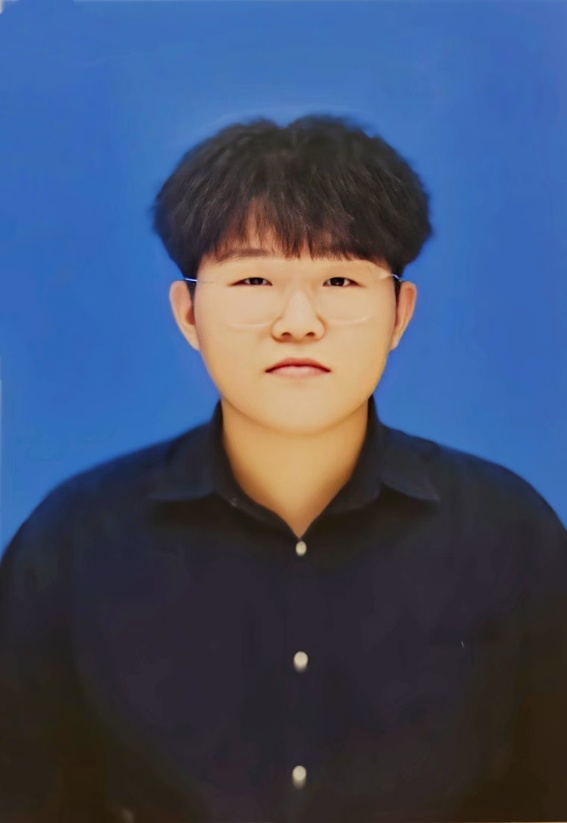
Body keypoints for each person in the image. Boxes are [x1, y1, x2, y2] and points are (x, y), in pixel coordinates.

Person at [0, 114, 566, 823]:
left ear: (399, 313)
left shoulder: (511, 534)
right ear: (187, 312)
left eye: (339, 277)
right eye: (254, 278)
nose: (297, 321)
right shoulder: (74, 539)